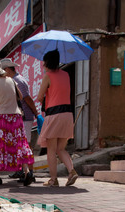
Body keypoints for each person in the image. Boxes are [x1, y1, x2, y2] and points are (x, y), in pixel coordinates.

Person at [0, 59, 34, 186]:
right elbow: (21, 97)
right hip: (16, 116)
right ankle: (27, 171)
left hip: (1, 117)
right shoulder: (12, 80)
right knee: (20, 142)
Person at [37, 50, 78, 187]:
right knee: (61, 149)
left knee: (51, 149)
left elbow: (39, 97)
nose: (43, 65)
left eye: (44, 62)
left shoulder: (47, 76)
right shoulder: (66, 74)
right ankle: (71, 171)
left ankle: (53, 180)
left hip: (54, 114)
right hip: (67, 114)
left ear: (48, 62)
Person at [0, 58, 38, 182]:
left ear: (7, 69)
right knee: (21, 145)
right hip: (20, 117)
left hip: (25, 117)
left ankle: (30, 172)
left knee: (25, 146)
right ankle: (24, 171)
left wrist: (36, 113)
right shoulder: (14, 80)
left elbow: (26, 98)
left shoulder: (18, 81)